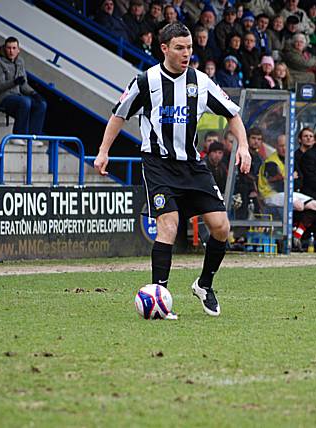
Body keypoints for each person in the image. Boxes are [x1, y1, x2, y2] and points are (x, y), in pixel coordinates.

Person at [93, 22, 251, 318]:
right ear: (164, 48)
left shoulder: (200, 82)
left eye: (190, 47)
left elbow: (233, 115)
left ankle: (204, 284)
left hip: (192, 165)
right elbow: (119, 115)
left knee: (221, 227)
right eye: (180, 47)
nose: (187, 53)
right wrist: (103, 152)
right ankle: (158, 297)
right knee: (168, 223)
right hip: (158, 164)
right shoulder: (145, 81)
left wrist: (242, 146)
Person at [0, 37, 47, 145]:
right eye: (9, 48)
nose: (11, 51)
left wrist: (34, 93)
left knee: (41, 104)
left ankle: (33, 137)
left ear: (18, 50)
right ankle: (17, 136)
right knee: (25, 102)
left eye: (14, 48)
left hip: (16, 95)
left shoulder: (20, 61)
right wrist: (14, 82)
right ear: (4, 48)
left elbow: (23, 84)